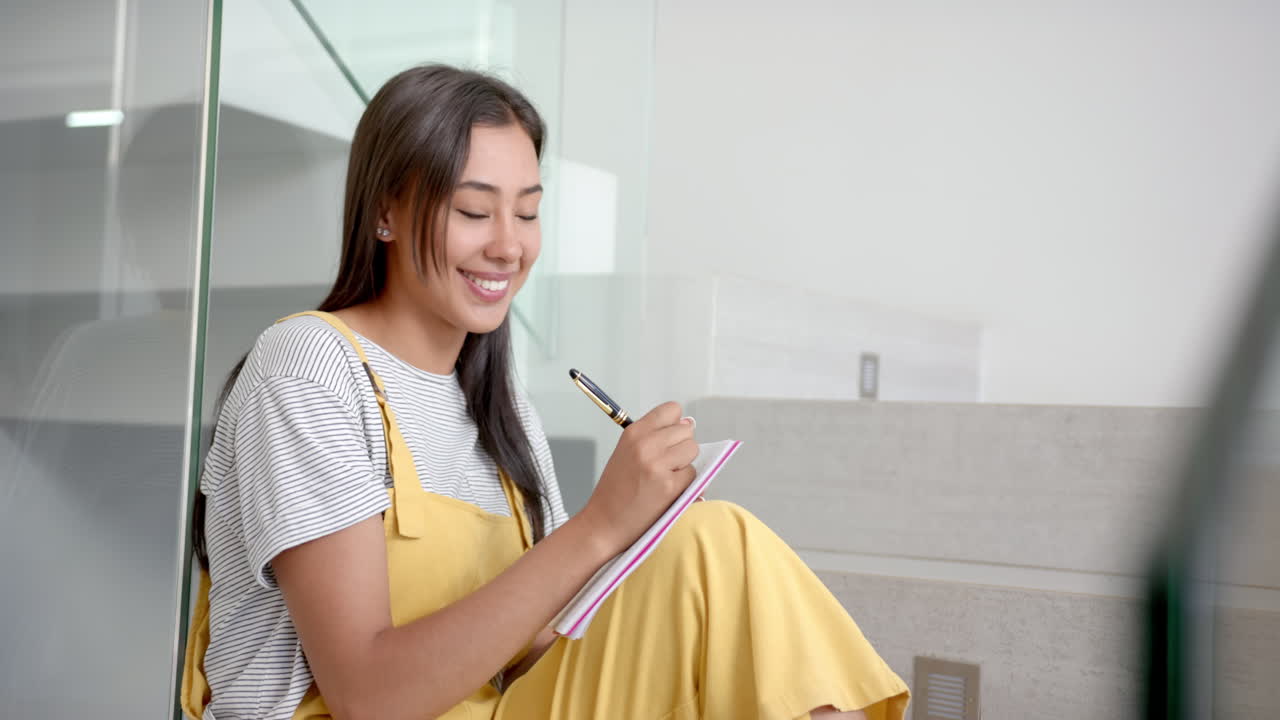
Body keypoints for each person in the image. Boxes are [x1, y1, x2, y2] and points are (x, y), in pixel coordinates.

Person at [180, 64, 909, 720]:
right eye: (474, 211)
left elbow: (523, 647)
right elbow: (367, 696)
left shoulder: (496, 403)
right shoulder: (308, 366)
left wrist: (638, 542)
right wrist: (597, 527)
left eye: (527, 211)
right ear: (386, 213)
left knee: (711, 546)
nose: (510, 244)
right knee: (713, 556)